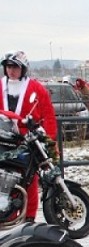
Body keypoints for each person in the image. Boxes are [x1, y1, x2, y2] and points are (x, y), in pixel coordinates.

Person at [0, 51, 57, 222]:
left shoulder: (36, 88)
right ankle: (7, 215)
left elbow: (48, 114)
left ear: (23, 69)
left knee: (29, 181)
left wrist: (49, 139)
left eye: (15, 67)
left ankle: (28, 218)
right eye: (8, 66)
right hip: (3, 140)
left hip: (28, 141)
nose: (12, 70)